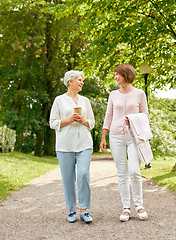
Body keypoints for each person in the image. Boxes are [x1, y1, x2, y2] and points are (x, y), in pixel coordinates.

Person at [100, 63, 149, 222]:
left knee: (134, 171)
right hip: (116, 136)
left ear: (126, 75)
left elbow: (146, 115)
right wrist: (103, 136)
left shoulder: (140, 93)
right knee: (121, 174)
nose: (115, 77)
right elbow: (108, 115)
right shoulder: (113, 95)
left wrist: (134, 120)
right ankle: (126, 208)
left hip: (133, 137)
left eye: (117, 74)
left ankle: (139, 205)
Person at [49, 70, 95, 223]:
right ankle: (71, 210)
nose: (82, 83)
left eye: (82, 80)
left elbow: (92, 123)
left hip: (84, 144)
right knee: (68, 179)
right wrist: (69, 120)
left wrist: (83, 121)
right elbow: (52, 122)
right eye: (79, 80)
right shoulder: (59, 100)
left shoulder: (85, 101)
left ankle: (84, 210)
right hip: (64, 146)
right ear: (70, 82)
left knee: (83, 175)